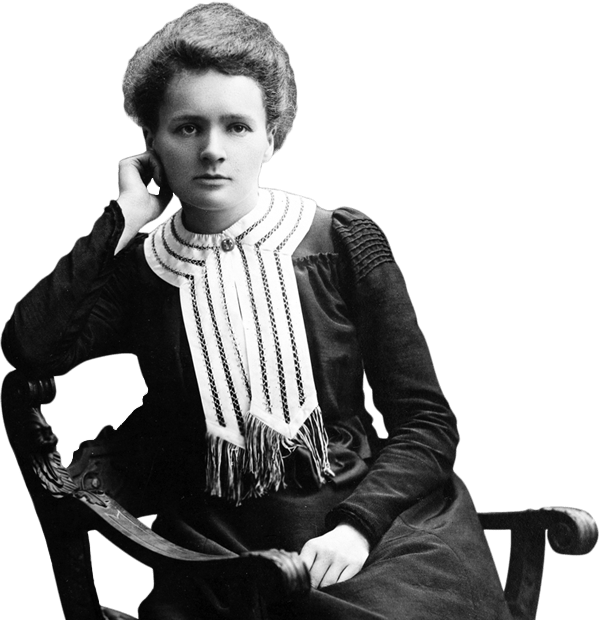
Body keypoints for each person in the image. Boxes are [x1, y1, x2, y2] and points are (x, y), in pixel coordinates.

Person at [1, 3, 511, 619]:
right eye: (187, 128)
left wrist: (357, 528)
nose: (212, 150)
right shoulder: (144, 272)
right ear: (151, 144)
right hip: (224, 544)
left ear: (272, 137)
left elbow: (427, 422)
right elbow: (30, 345)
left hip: (379, 530)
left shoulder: (341, 244)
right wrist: (124, 217)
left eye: (237, 127)